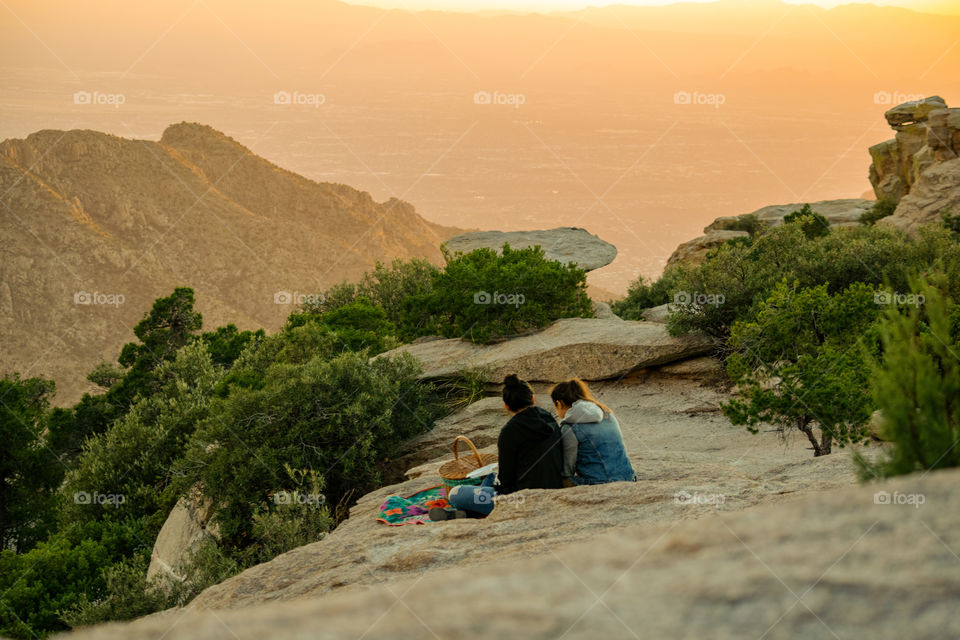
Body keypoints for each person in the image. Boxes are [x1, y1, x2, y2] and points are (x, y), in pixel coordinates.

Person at [431, 374, 564, 520]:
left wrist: (495, 488)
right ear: (532, 398)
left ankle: (472, 512)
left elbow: (506, 481)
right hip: (553, 488)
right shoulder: (547, 417)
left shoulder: (509, 431)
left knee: (456, 493)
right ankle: (469, 513)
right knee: (491, 475)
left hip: (522, 500)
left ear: (506, 405)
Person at [551, 379, 636, 485]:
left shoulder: (569, 427)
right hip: (629, 477)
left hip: (599, 483)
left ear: (559, 404)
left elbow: (568, 468)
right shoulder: (607, 413)